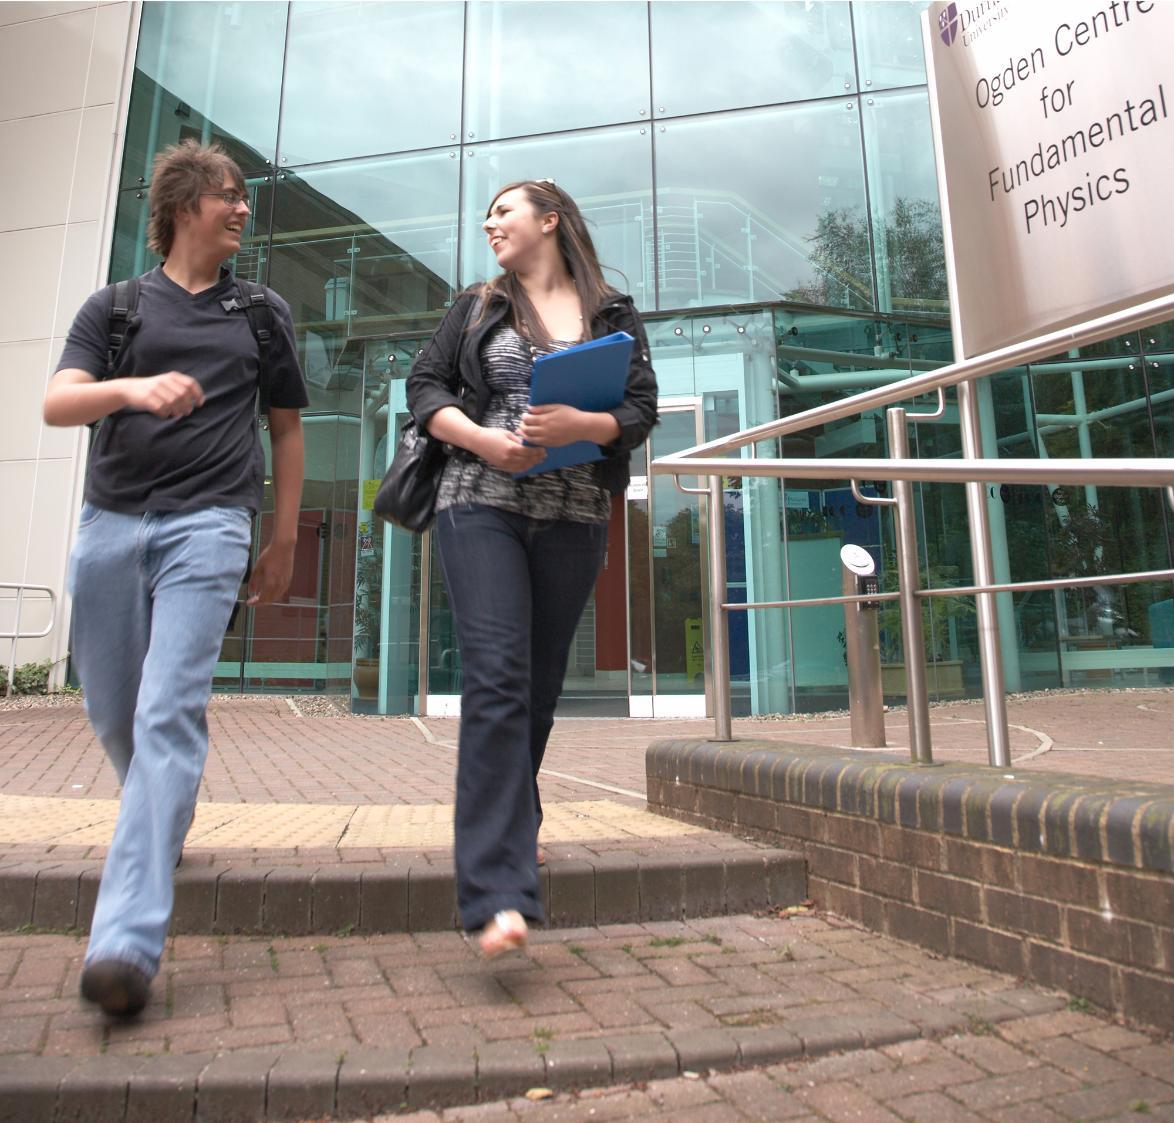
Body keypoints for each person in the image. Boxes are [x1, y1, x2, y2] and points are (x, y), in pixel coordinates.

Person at [43, 140, 308, 1016]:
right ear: (184, 204)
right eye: (228, 196)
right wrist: (133, 390)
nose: (242, 210)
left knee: (167, 711)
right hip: (111, 525)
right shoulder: (115, 307)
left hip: (210, 525)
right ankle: (162, 815)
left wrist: (281, 540)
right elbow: (59, 401)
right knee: (115, 710)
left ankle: (124, 940)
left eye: (242, 198)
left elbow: (286, 432)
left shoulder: (262, 313)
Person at [407, 180, 658, 956]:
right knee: (496, 675)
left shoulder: (612, 311)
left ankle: (515, 822)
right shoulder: (477, 305)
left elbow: (642, 406)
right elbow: (426, 388)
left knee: (540, 689)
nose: (490, 223)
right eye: (485, 214)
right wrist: (486, 441)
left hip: (574, 517)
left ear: (550, 221)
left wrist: (587, 423)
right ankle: (495, 890)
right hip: (478, 500)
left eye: (504, 212)